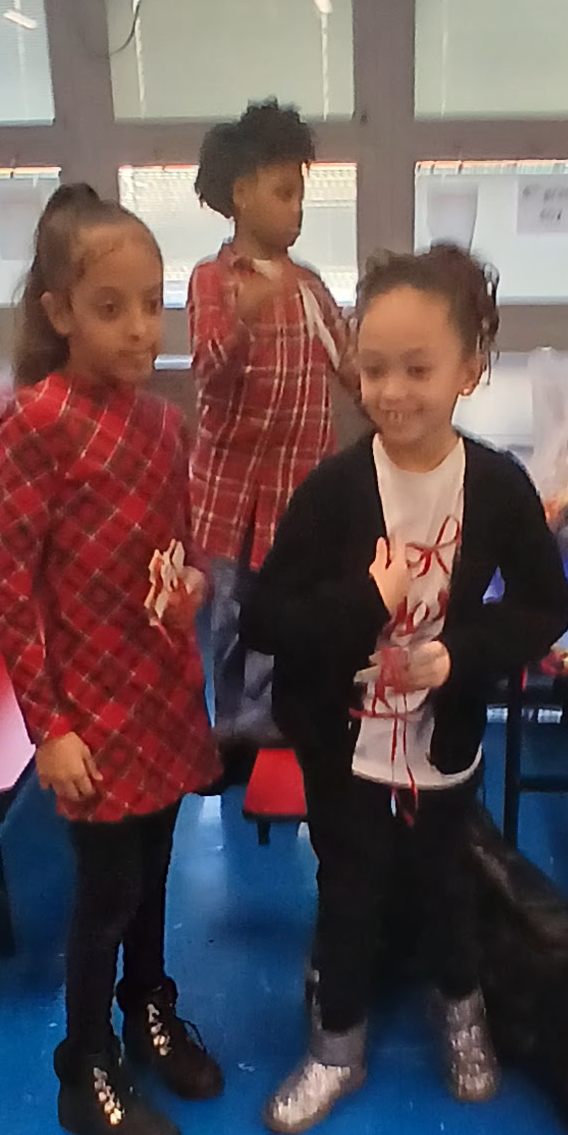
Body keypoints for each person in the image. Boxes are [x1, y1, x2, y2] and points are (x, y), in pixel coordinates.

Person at [242, 245, 568, 1135]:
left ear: (469, 371)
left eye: (418, 369)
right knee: (348, 888)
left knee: (444, 883)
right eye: (373, 366)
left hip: (444, 736)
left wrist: (460, 655)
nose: (392, 390)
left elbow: (549, 605)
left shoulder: (497, 487)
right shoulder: (336, 489)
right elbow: (266, 617)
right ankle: (334, 1047)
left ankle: (460, 1015)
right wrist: (368, 600)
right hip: (341, 740)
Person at [0, 184, 224, 1135]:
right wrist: (51, 727)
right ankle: (83, 1063)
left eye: (152, 303)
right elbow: (9, 592)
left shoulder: (163, 425)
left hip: (161, 691)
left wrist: (189, 585)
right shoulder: (39, 423)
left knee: (157, 867)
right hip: (88, 708)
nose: (138, 327)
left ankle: (146, 1007)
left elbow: (170, 552)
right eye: (110, 306)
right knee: (105, 891)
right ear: (59, 314)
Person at [187, 100, 354, 772]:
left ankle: (279, 720)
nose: (296, 210)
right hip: (228, 499)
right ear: (241, 194)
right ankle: (231, 733)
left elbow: (351, 367)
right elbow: (208, 372)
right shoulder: (211, 282)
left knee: (287, 619)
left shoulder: (310, 287)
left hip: (300, 497)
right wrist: (242, 320)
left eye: (300, 196)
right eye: (284, 193)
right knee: (230, 619)